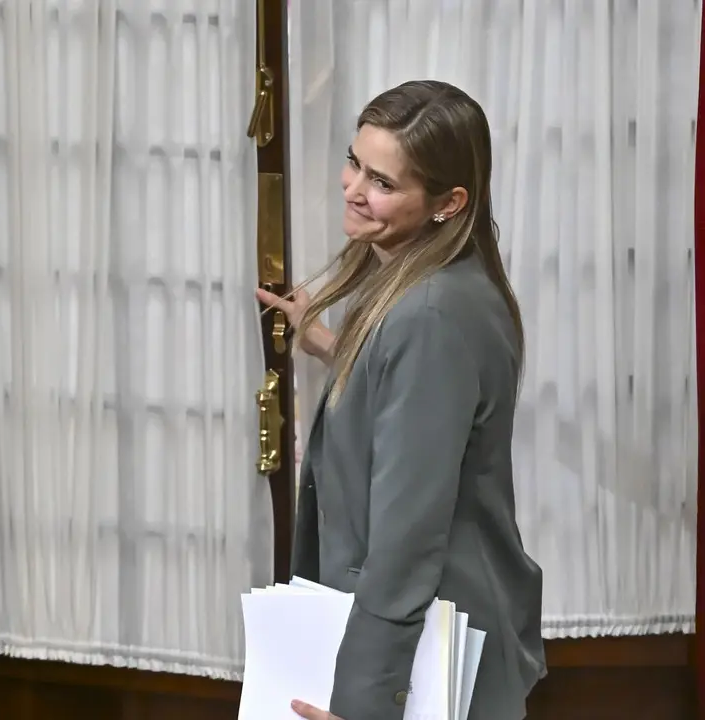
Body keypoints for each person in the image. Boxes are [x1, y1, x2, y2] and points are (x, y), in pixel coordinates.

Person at [255, 80, 546, 720]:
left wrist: (363, 704)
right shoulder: (437, 289)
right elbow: (411, 399)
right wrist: (333, 345)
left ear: (448, 202)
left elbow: (405, 539)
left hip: (422, 662)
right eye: (354, 162)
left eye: (382, 182)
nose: (353, 189)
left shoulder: (429, 316)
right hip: (432, 641)